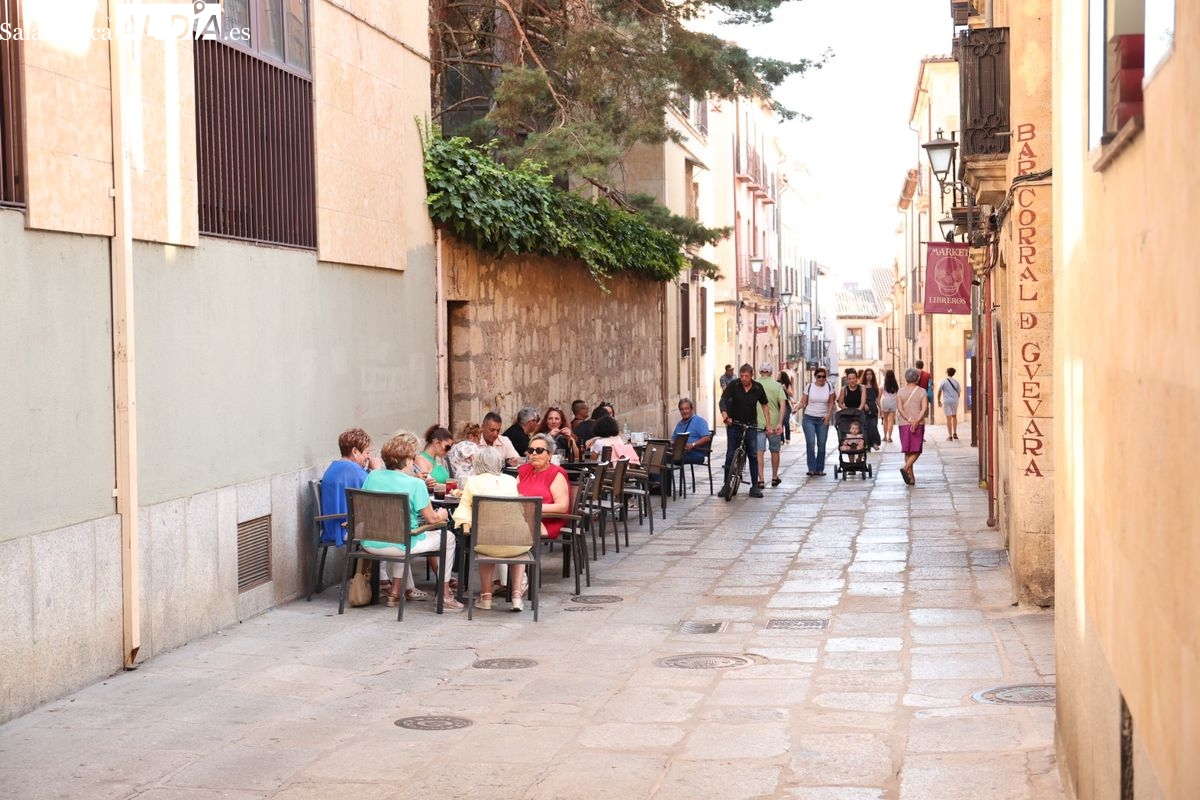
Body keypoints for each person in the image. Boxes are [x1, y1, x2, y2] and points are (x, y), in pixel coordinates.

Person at [360, 431, 463, 610]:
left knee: (400, 531)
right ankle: (445, 595)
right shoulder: (415, 484)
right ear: (407, 460)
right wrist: (443, 514)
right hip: (400, 544)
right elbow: (432, 518)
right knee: (449, 538)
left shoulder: (372, 476)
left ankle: (395, 592)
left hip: (370, 543)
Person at [451, 447, 522, 612]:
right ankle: (517, 597)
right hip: (517, 542)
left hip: (487, 542)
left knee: (486, 544)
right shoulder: (511, 480)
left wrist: (465, 525)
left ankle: (486, 598)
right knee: (515, 550)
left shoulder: (473, 481)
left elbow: (464, 510)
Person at [515, 433, 572, 611]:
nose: (534, 454)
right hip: (522, 519)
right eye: (531, 450)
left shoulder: (556, 474)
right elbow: (513, 496)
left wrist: (533, 507)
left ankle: (517, 581)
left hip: (546, 521)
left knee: (515, 532)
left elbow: (562, 506)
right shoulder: (523, 471)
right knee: (499, 531)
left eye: (539, 450)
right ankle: (504, 581)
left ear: (549, 454)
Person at [319, 428, 382, 547]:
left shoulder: (336, 466)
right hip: (345, 528)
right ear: (355, 451)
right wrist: (377, 471)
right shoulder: (352, 469)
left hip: (333, 527)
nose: (368, 457)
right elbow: (380, 491)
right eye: (367, 452)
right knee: (393, 526)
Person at [717, 363, 771, 498]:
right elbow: (723, 400)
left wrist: (768, 424)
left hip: (750, 424)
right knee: (730, 453)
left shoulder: (758, 388)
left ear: (752, 376)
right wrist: (725, 416)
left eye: (746, 376)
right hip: (734, 423)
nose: (744, 379)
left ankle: (755, 486)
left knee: (753, 454)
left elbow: (764, 405)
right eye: (742, 376)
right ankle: (726, 485)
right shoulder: (734, 385)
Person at [754, 363, 787, 488]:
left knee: (759, 451)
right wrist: (780, 422)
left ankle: (761, 479)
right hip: (773, 423)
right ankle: (774, 477)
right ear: (771, 372)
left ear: (760, 371)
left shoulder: (754, 384)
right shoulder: (777, 385)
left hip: (758, 423)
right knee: (775, 450)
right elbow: (783, 405)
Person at [896, 367, 930, 486]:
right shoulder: (922, 391)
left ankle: (911, 477)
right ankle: (906, 468)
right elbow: (924, 408)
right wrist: (916, 421)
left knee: (908, 450)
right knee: (917, 450)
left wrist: (909, 420)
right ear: (917, 378)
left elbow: (900, 409)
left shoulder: (900, 392)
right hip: (918, 423)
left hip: (903, 423)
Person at [799, 368, 835, 477]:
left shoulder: (829, 387)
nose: (821, 378)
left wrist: (828, 415)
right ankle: (811, 468)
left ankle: (820, 469)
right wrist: (796, 408)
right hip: (809, 418)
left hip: (823, 419)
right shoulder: (809, 386)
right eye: (819, 376)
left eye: (823, 376)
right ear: (815, 377)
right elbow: (803, 401)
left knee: (822, 444)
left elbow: (831, 403)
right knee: (811, 443)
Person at [413, 425, 453, 492]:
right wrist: (450, 487)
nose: (448, 451)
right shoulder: (420, 459)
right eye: (447, 447)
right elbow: (429, 485)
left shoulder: (439, 460)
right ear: (436, 443)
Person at [671, 397, 712, 464]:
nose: (684, 411)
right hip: (681, 452)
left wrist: (692, 445)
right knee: (660, 457)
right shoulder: (679, 424)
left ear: (691, 409)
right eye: (682, 409)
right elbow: (673, 439)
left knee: (667, 460)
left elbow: (707, 438)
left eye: (686, 408)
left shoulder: (699, 421)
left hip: (695, 454)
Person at [938, 367, 962, 441]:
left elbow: (939, 391)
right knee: (954, 416)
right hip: (955, 401)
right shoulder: (956, 382)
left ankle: (950, 436)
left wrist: (938, 400)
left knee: (948, 418)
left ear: (947, 373)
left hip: (947, 401)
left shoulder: (943, 382)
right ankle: (955, 433)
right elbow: (959, 392)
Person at [860, 368, 882, 450]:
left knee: (873, 426)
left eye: (871, 374)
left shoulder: (875, 386)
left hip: (873, 409)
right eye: (867, 374)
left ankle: (875, 443)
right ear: (865, 376)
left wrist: (880, 408)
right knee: (866, 427)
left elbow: (877, 399)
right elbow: (859, 398)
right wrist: (864, 404)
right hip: (865, 409)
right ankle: (867, 445)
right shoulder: (861, 387)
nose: (869, 376)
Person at [880, 369, 900, 443]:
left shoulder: (883, 384)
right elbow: (898, 395)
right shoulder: (895, 385)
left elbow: (880, 395)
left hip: (885, 402)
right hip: (893, 402)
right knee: (891, 421)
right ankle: (889, 437)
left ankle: (885, 436)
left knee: (885, 420)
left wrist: (879, 405)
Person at [777, 368, 795, 443]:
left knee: (786, 421)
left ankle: (787, 437)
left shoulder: (787, 384)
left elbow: (791, 394)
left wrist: (785, 389)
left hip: (786, 404)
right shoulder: (776, 383)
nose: (778, 376)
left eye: (779, 375)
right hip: (778, 404)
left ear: (783, 376)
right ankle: (781, 439)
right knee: (780, 421)